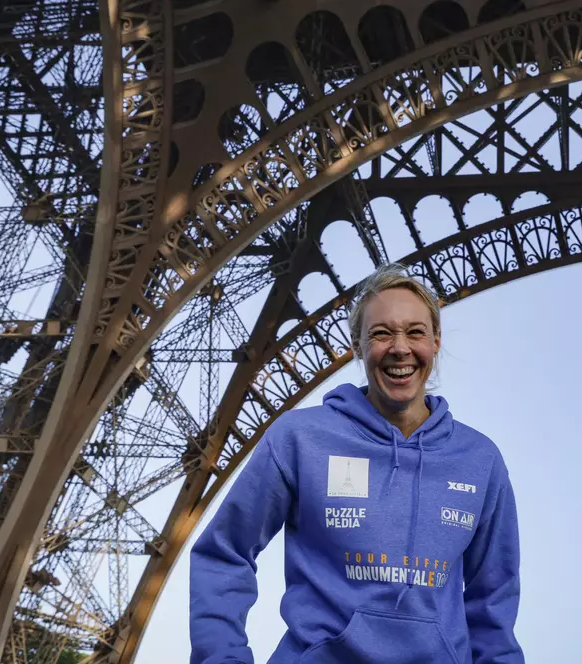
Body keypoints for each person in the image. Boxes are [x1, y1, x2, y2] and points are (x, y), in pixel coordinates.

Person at [189, 263, 524, 663]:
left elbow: (494, 606)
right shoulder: (300, 438)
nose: (400, 347)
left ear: (435, 341)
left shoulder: (479, 460)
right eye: (381, 333)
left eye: (415, 332)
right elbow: (223, 553)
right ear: (357, 345)